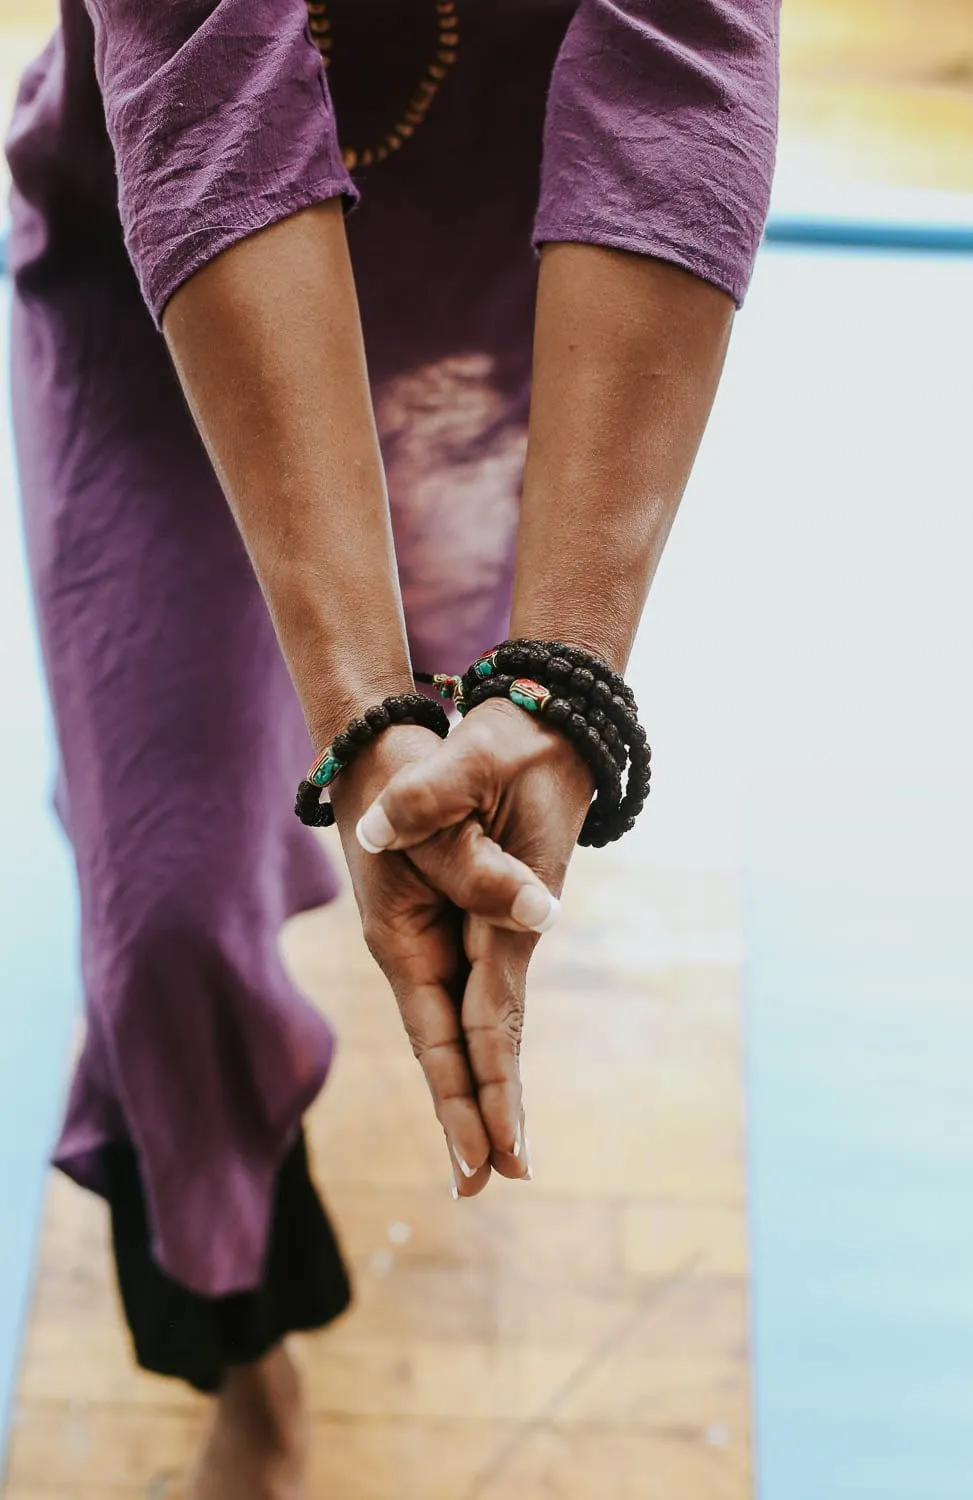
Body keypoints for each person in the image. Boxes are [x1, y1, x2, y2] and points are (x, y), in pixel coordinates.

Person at [5, 0, 778, 1494]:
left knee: (445, 788)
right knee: (159, 924)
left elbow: (680, 54)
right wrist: (362, 712)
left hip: (525, 266)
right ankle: (244, 1343)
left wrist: (560, 678)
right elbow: (206, 78)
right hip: (175, 267)